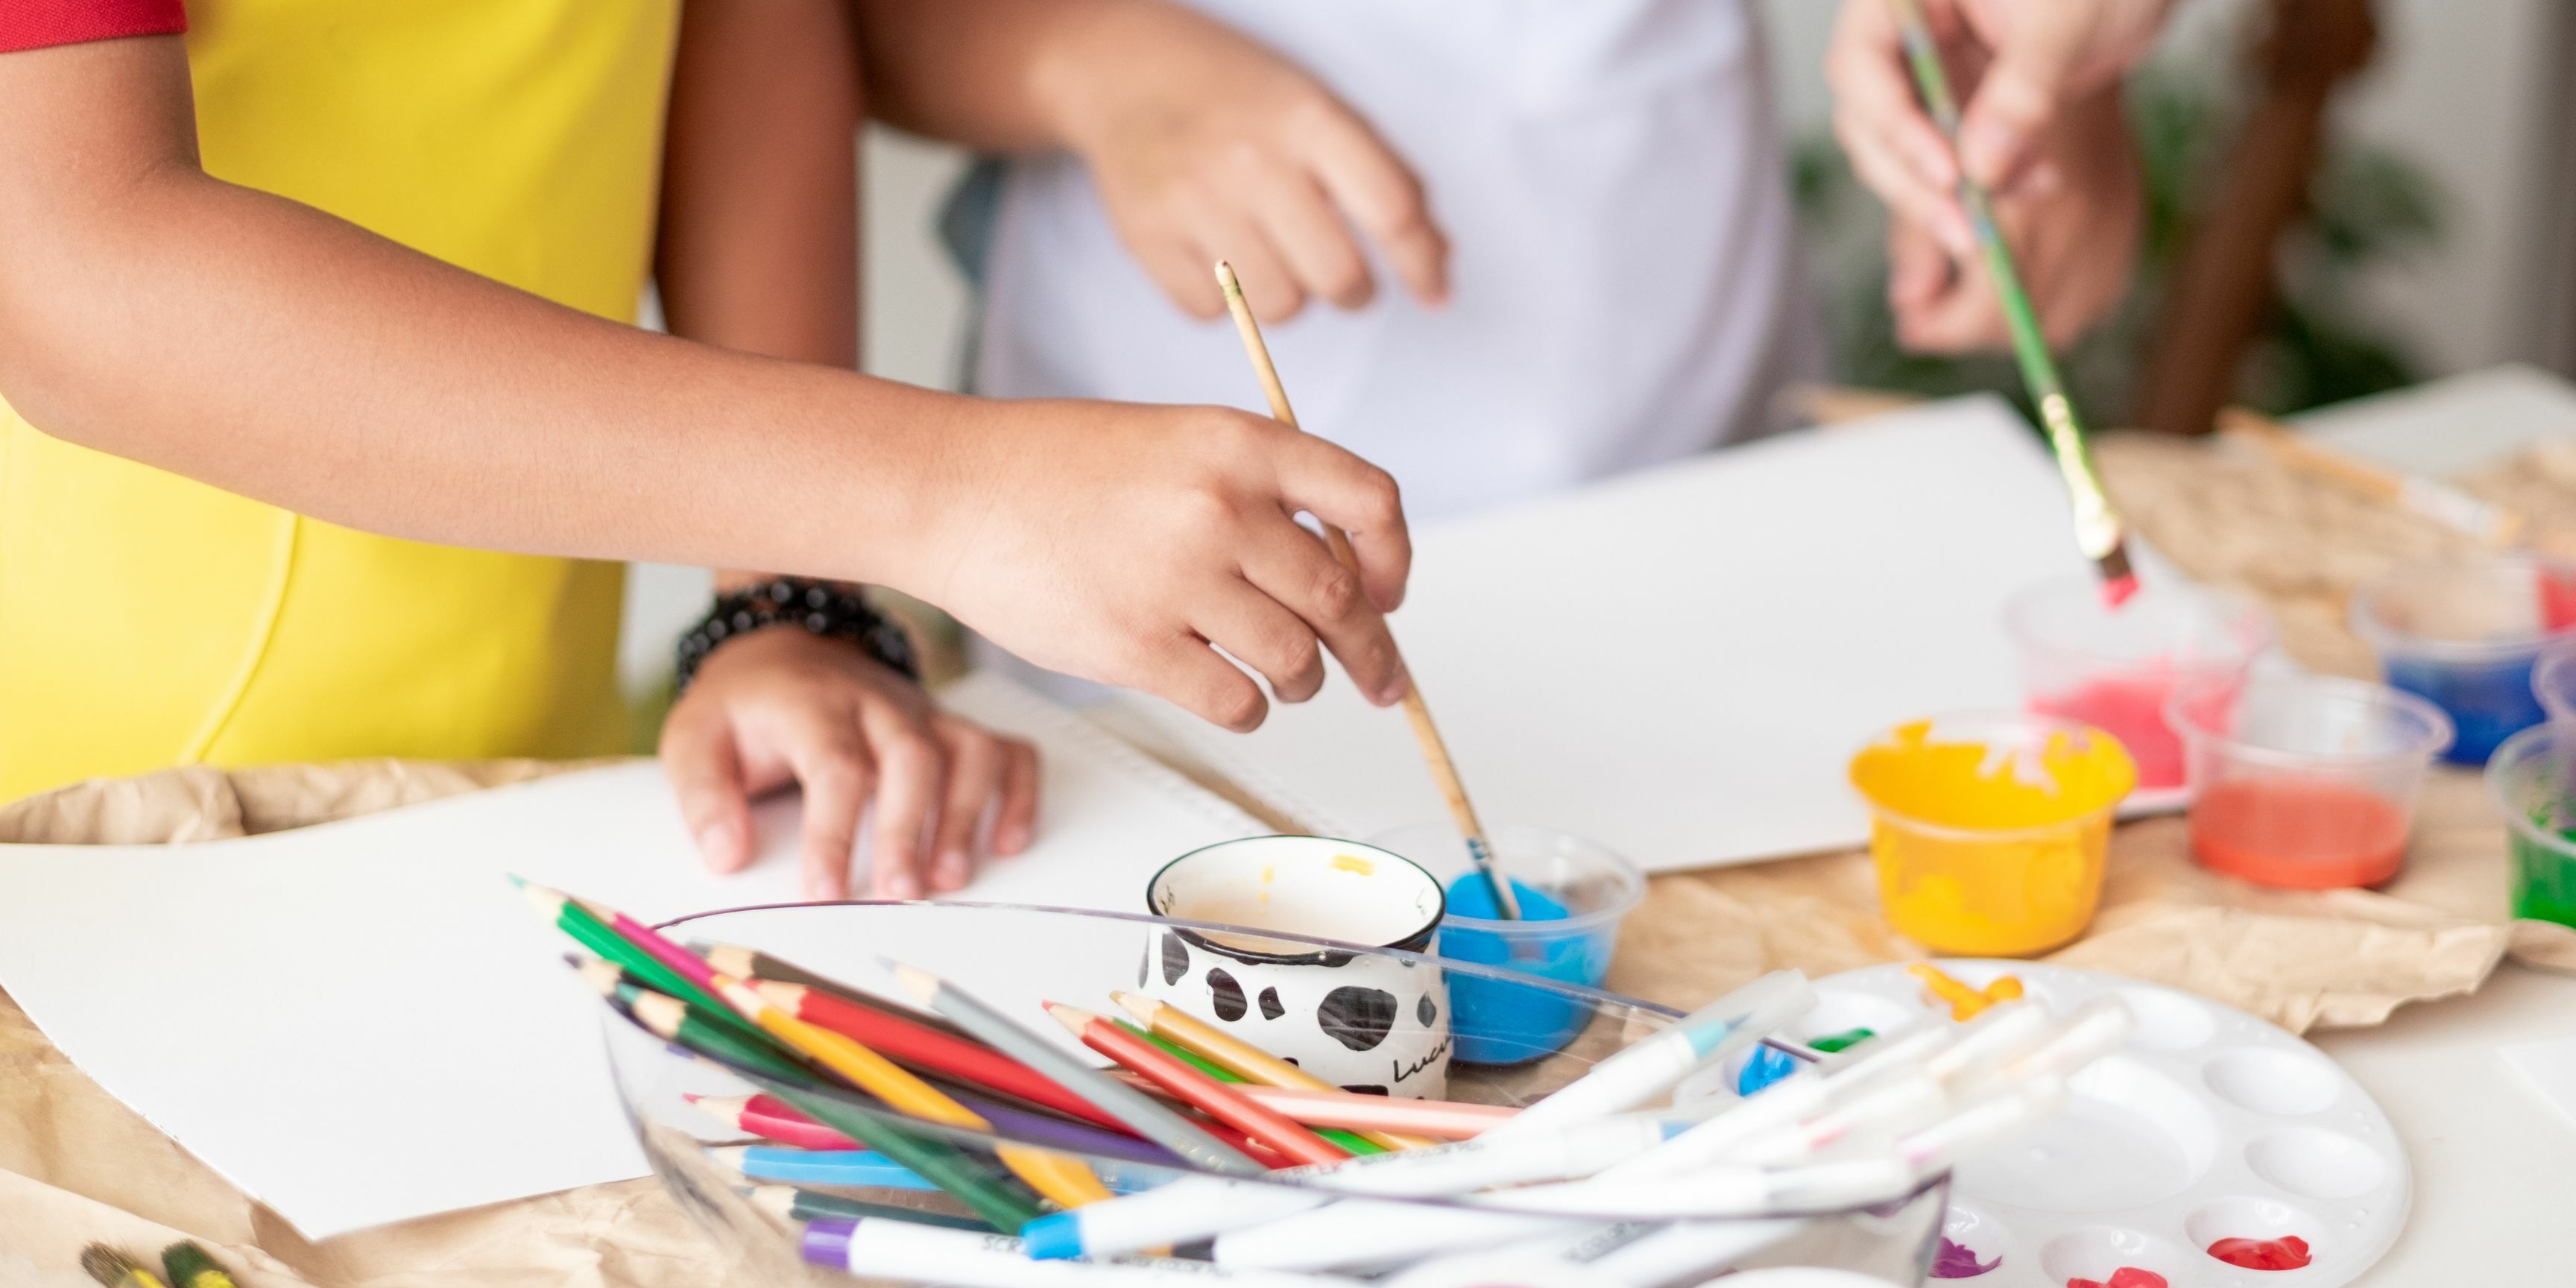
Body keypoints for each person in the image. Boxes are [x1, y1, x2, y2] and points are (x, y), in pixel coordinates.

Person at [0, 1, 1418, 902]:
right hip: (73, 829)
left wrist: (784, 602)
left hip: (503, 798)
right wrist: (953, 495)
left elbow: (733, 24)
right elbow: (68, 275)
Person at [856, 0, 2170, 522]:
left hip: (1710, 468)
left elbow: (2047, 96)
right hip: (1164, 518)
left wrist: (2042, 70)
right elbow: (796, 40)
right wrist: (1082, 62)